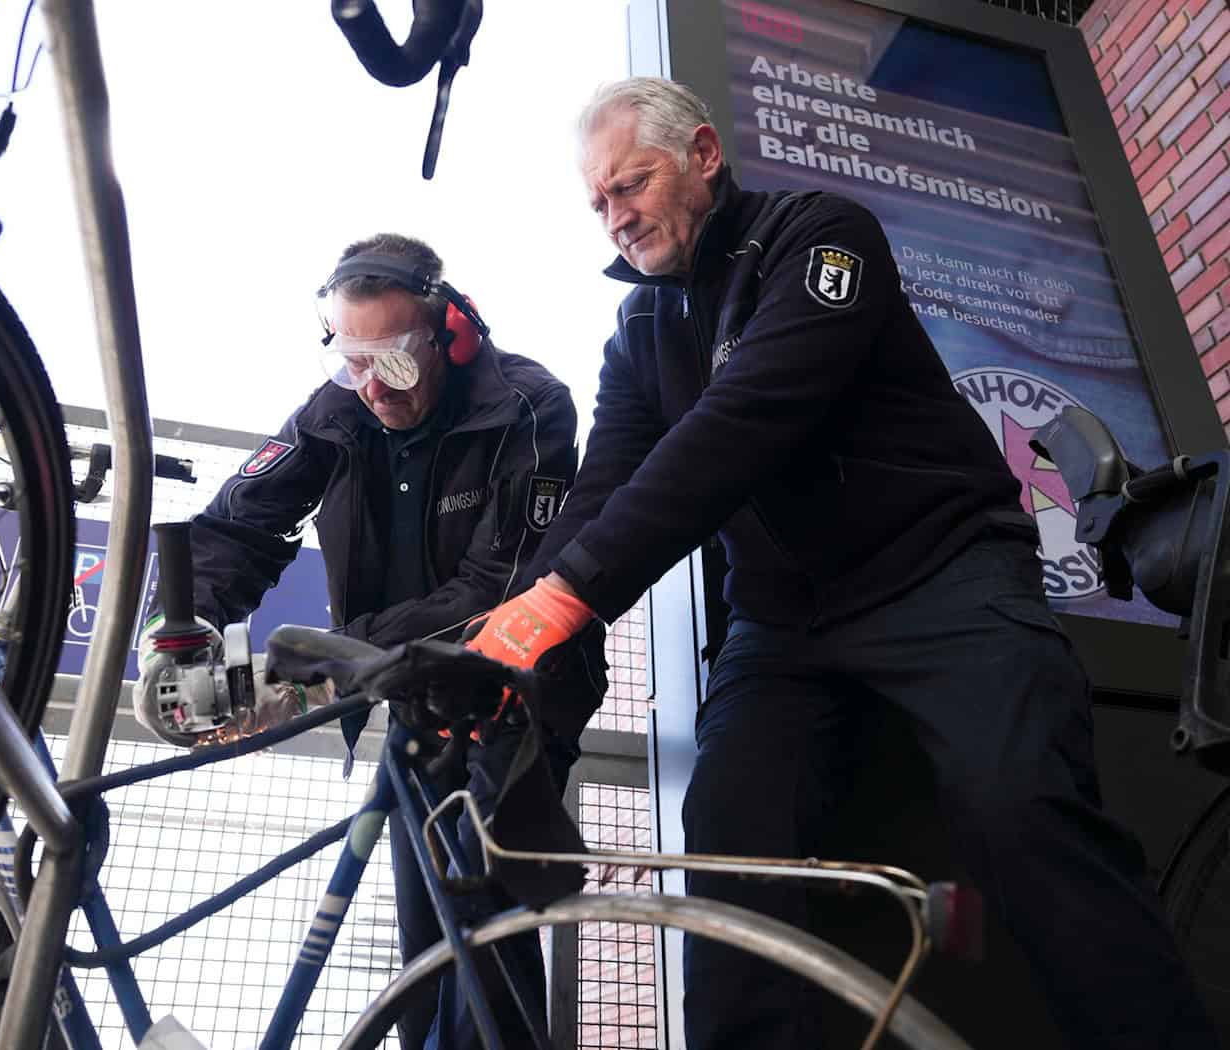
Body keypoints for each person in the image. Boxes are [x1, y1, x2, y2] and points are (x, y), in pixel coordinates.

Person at [464, 78, 1216, 1049]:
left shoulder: (819, 236)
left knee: (1019, 806)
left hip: (943, 573)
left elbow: (748, 421)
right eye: (598, 202)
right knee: (729, 835)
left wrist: (569, 592)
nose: (615, 216)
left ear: (699, 154)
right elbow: (605, 490)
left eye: (631, 183)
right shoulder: (640, 333)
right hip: (782, 627)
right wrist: (516, 622)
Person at [134, 233, 606, 1050]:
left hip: (521, 681)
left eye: (391, 363)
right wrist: (178, 634)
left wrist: (321, 666)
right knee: (426, 937)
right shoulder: (337, 410)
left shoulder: (529, 406)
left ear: (449, 336)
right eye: (350, 362)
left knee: (480, 888)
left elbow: (496, 587)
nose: (371, 390)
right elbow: (235, 529)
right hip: (407, 684)